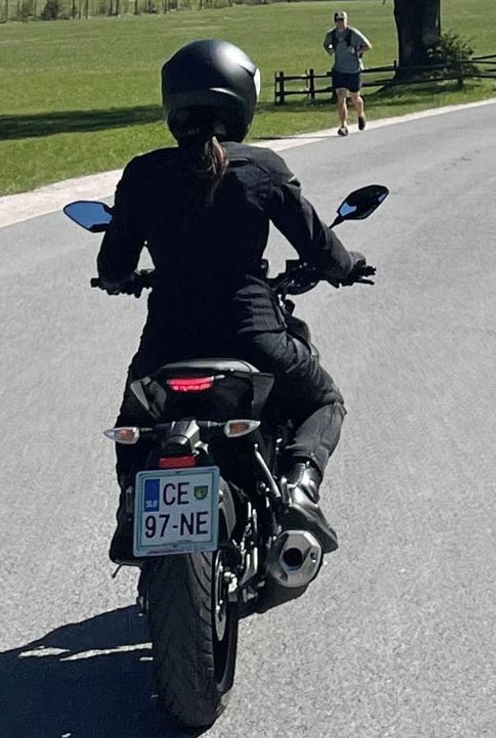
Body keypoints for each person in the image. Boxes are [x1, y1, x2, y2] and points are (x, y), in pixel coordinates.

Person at [92, 37, 372, 558]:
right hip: (255, 339)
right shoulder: (262, 167)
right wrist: (348, 265)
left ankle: (132, 506)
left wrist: (122, 280)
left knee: (135, 425)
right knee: (323, 400)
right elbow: (320, 248)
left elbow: (111, 267)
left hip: (167, 344)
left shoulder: (143, 174)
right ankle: (299, 487)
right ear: (241, 100)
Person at [324, 6, 371, 132]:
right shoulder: (331, 35)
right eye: (337, 20)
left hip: (353, 70)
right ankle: (343, 125)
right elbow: (326, 44)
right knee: (341, 97)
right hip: (339, 70)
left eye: (342, 20)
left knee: (355, 98)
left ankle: (360, 114)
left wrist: (356, 51)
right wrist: (330, 49)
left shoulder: (353, 33)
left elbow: (368, 46)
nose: (340, 23)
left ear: (346, 20)